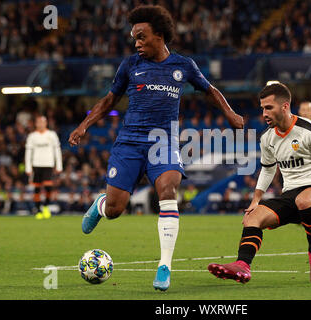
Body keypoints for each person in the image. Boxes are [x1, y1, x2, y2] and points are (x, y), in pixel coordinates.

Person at [68, 5, 243, 292]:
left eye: (141, 37)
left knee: (168, 190)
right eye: (134, 38)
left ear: (159, 36)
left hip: (164, 142)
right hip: (129, 142)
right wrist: (84, 125)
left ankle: (164, 266)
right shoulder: (130, 65)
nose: (136, 43)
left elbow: (210, 90)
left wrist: (230, 113)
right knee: (115, 209)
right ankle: (100, 206)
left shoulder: (183, 66)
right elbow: (109, 101)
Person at [208, 83, 311, 284]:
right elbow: (267, 168)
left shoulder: (310, 130)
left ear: (284, 107)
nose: (264, 113)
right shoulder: (267, 137)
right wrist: (255, 200)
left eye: (268, 108)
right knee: (252, 218)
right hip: (290, 194)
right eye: (262, 108)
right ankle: (242, 265)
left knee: (304, 200)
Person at [25, 116, 63, 219]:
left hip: (48, 164)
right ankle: (37, 210)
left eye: (42, 122)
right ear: (36, 124)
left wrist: (59, 165)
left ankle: (45, 206)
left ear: (46, 123)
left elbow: (57, 150)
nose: (41, 124)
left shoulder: (52, 135)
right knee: (37, 188)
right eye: (39, 122)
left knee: (48, 187)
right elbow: (28, 152)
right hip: (36, 164)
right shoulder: (32, 136)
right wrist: (28, 167)